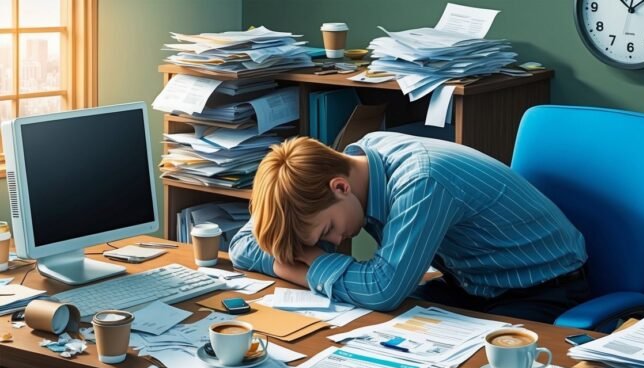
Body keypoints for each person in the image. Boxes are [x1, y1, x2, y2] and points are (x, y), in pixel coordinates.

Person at [230, 132, 590, 323]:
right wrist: (294, 255)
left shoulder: (422, 182)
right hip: (469, 283)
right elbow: (242, 246)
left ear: (340, 187)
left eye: (326, 232)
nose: (334, 242)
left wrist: (293, 266)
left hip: (541, 288)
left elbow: (383, 288)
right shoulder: (359, 164)